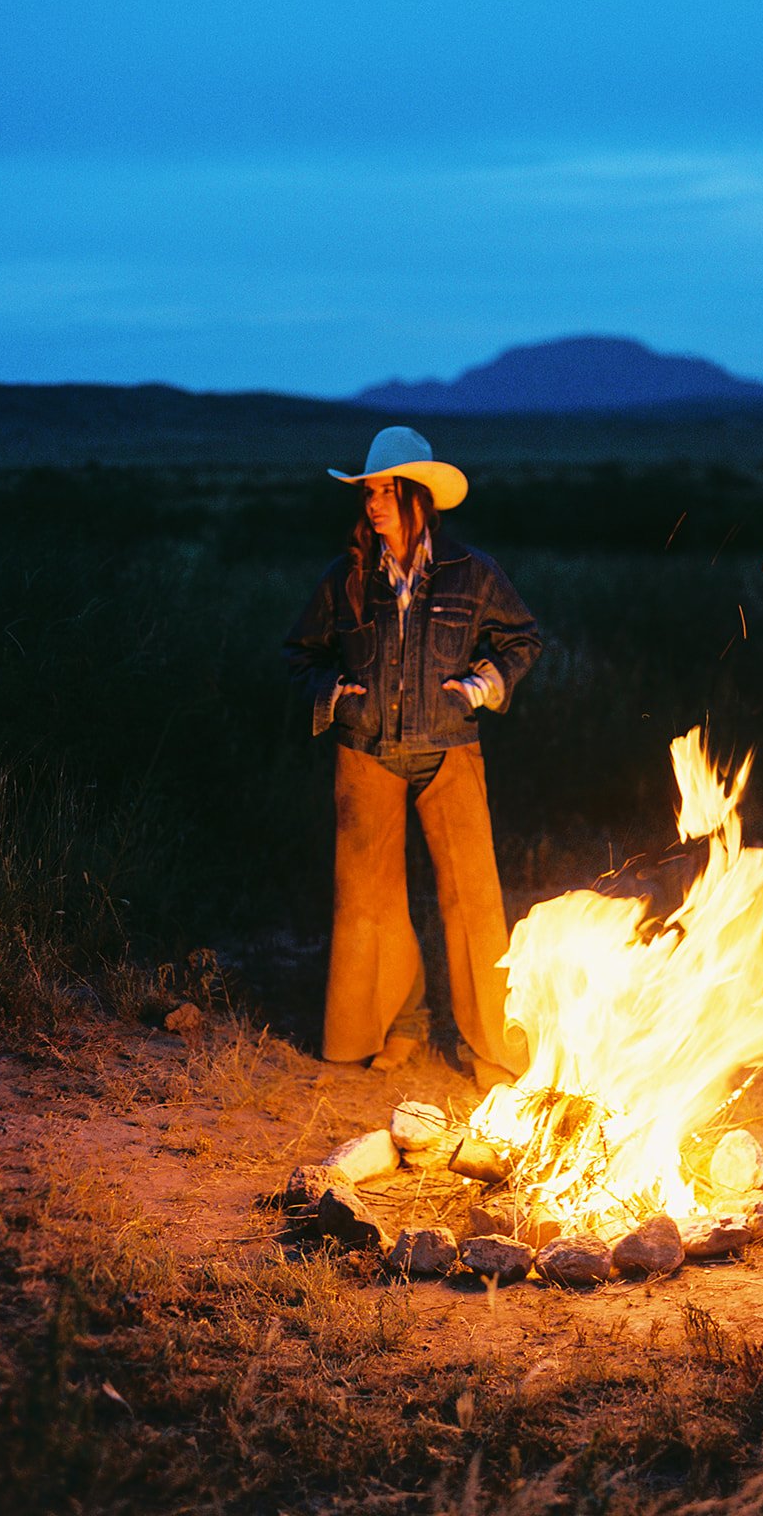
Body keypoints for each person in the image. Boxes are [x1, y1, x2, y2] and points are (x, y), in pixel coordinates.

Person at [284, 426, 541, 1091]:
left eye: (386, 493)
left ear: (418, 498)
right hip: (365, 749)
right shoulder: (346, 578)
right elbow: (300, 654)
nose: (373, 505)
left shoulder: (471, 571)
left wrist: (482, 688)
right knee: (369, 902)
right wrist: (333, 695)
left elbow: (523, 638)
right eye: (368, 492)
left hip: (450, 749)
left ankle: (492, 1051)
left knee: (474, 900)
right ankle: (398, 1029)